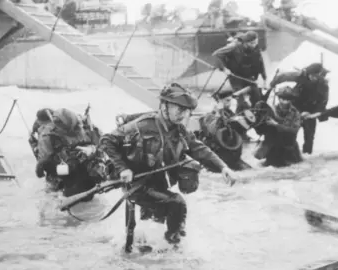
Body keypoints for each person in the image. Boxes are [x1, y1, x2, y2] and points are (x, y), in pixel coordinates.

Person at [98, 83, 236, 245]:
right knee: (177, 203)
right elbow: (107, 140)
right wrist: (124, 169)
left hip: (158, 184)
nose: (183, 115)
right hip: (137, 185)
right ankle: (173, 245)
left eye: (185, 111)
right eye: (179, 109)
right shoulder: (142, 125)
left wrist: (223, 167)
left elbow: (199, 149)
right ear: (164, 107)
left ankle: (149, 249)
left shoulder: (179, 130)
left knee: (153, 226)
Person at [35, 108, 106, 195]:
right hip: (65, 169)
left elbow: (103, 145)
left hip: (88, 168)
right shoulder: (47, 136)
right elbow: (44, 164)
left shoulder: (88, 127)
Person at [269, 63, 329, 154]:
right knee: (289, 132)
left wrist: (311, 114)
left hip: (310, 110)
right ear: (308, 73)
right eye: (311, 75)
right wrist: (272, 84)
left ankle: (307, 154)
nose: (313, 78)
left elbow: (323, 103)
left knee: (309, 136)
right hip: (296, 106)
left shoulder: (324, 85)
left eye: (316, 76)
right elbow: (283, 76)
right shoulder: (301, 75)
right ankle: (287, 153)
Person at [196, 89, 252, 171]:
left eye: (230, 101)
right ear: (220, 101)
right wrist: (220, 115)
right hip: (218, 155)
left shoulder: (230, 113)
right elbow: (211, 129)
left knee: (249, 170)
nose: (229, 103)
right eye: (227, 101)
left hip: (232, 155)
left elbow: (243, 128)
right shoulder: (212, 115)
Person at [213, 30, 267, 114]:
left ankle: (255, 115)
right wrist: (224, 69)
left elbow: (260, 64)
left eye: (256, 42)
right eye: (252, 43)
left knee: (257, 96)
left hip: (249, 77)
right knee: (240, 100)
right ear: (245, 43)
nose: (254, 45)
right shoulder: (234, 47)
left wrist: (264, 79)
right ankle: (239, 117)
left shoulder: (256, 49)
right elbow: (216, 54)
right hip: (235, 76)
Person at [254, 86, 302, 167]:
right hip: (272, 147)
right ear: (278, 98)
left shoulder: (295, 113)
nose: (284, 102)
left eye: (287, 99)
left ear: (290, 100)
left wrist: (276, 124)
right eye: (282, 99)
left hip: (288, 148)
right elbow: (260, 131)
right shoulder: (270, 110)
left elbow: (294, 131)